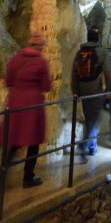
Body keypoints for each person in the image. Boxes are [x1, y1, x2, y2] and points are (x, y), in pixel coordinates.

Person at [1, 31, 52, 188]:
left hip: (16, 103)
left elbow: (8, 80)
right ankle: (28, 178)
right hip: (32, 105)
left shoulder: (16, 59)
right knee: (33, 142)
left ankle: (2, 175)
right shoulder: (41, 62)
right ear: (40, 46)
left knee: (13, 141)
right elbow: (46, 86)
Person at [71, 30, 111, 162]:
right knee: (94, 120)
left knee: (89, 119)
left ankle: (92, 147)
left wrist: (75, 91)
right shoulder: (101, 52)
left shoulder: (80, 52)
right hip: (95, 91)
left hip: (83, 91)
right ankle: (84, 145)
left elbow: (73, 74)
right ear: (97, 40)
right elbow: (110, 73)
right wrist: (109, 90)